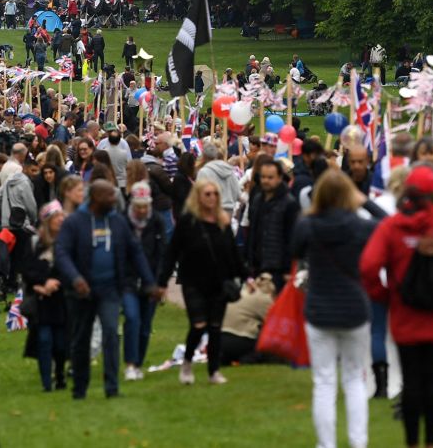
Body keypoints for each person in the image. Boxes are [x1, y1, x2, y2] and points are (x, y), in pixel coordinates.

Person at [360, 165, 433, 448]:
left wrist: (383, 294)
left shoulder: (391, 227)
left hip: (405, 312)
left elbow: (367, 266)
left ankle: (411, 441)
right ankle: (432, 442)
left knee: (411, 381)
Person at [292, 170, 376, 448]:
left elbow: (294, 250)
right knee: (354, 379)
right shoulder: (360, 226)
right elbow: (390, 225)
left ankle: (326, 444)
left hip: (319, 307)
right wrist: (365, 203)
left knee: (325, 382)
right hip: (354, 307)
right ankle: (358, 442)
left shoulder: (308, 225)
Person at [54, 178, 160, 400]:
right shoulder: (75, 222)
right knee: (81, 338)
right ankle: (79, 388)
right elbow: (61, 252)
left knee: (111, 333)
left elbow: (135, 252)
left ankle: (112, 387)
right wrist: (75, 278)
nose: (114, 199)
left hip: (110, 288)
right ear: (95, 198)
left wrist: (150, 281)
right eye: (109, 196)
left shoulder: (117, 221)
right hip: (81, 290)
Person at [160, 176, 246, 386]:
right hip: (193, 282)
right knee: (198, 325)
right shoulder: (188, 223)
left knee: (216, 327)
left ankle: (213, 371)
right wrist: (162, 282)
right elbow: (172, 253)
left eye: (215, 194)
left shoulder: (223, 222)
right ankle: (187, 361)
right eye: (207, 194)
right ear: (198, 197)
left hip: (219, 282)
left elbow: (232, 254)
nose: (212, 198)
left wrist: (245, 277)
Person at [121, 182, 166, 380]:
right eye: (137, 206)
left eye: (144, 206)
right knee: (132, 318)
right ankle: (130, 363)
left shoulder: (156, 221)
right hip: (128, 280)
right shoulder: (122, 220)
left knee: (146, 324)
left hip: (151, 281)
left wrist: (160, 282)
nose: (141, 210)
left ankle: (138, 362)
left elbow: (162, 252)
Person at [23, 202, 69, 391]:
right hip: (41, 301)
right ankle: (46, 383)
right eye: (57, 217)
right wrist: (41, 285)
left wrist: (55, 282)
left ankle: (59, 374)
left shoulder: (67, 241)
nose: (61, 220)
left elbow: (72, 266)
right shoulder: (35, 243)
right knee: (43, 340)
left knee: (60, 343)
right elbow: (26, 268)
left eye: (62, 217)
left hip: (62, 299)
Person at [243, 158, 300, 289]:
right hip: (257, 266)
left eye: (270, 177)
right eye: (263, 177)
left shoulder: (289, 203)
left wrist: (287, 269)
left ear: (279, 177)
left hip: (277, 269)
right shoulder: (257, 199)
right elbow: (253, 232)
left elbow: (291, 239)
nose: (266, 181)